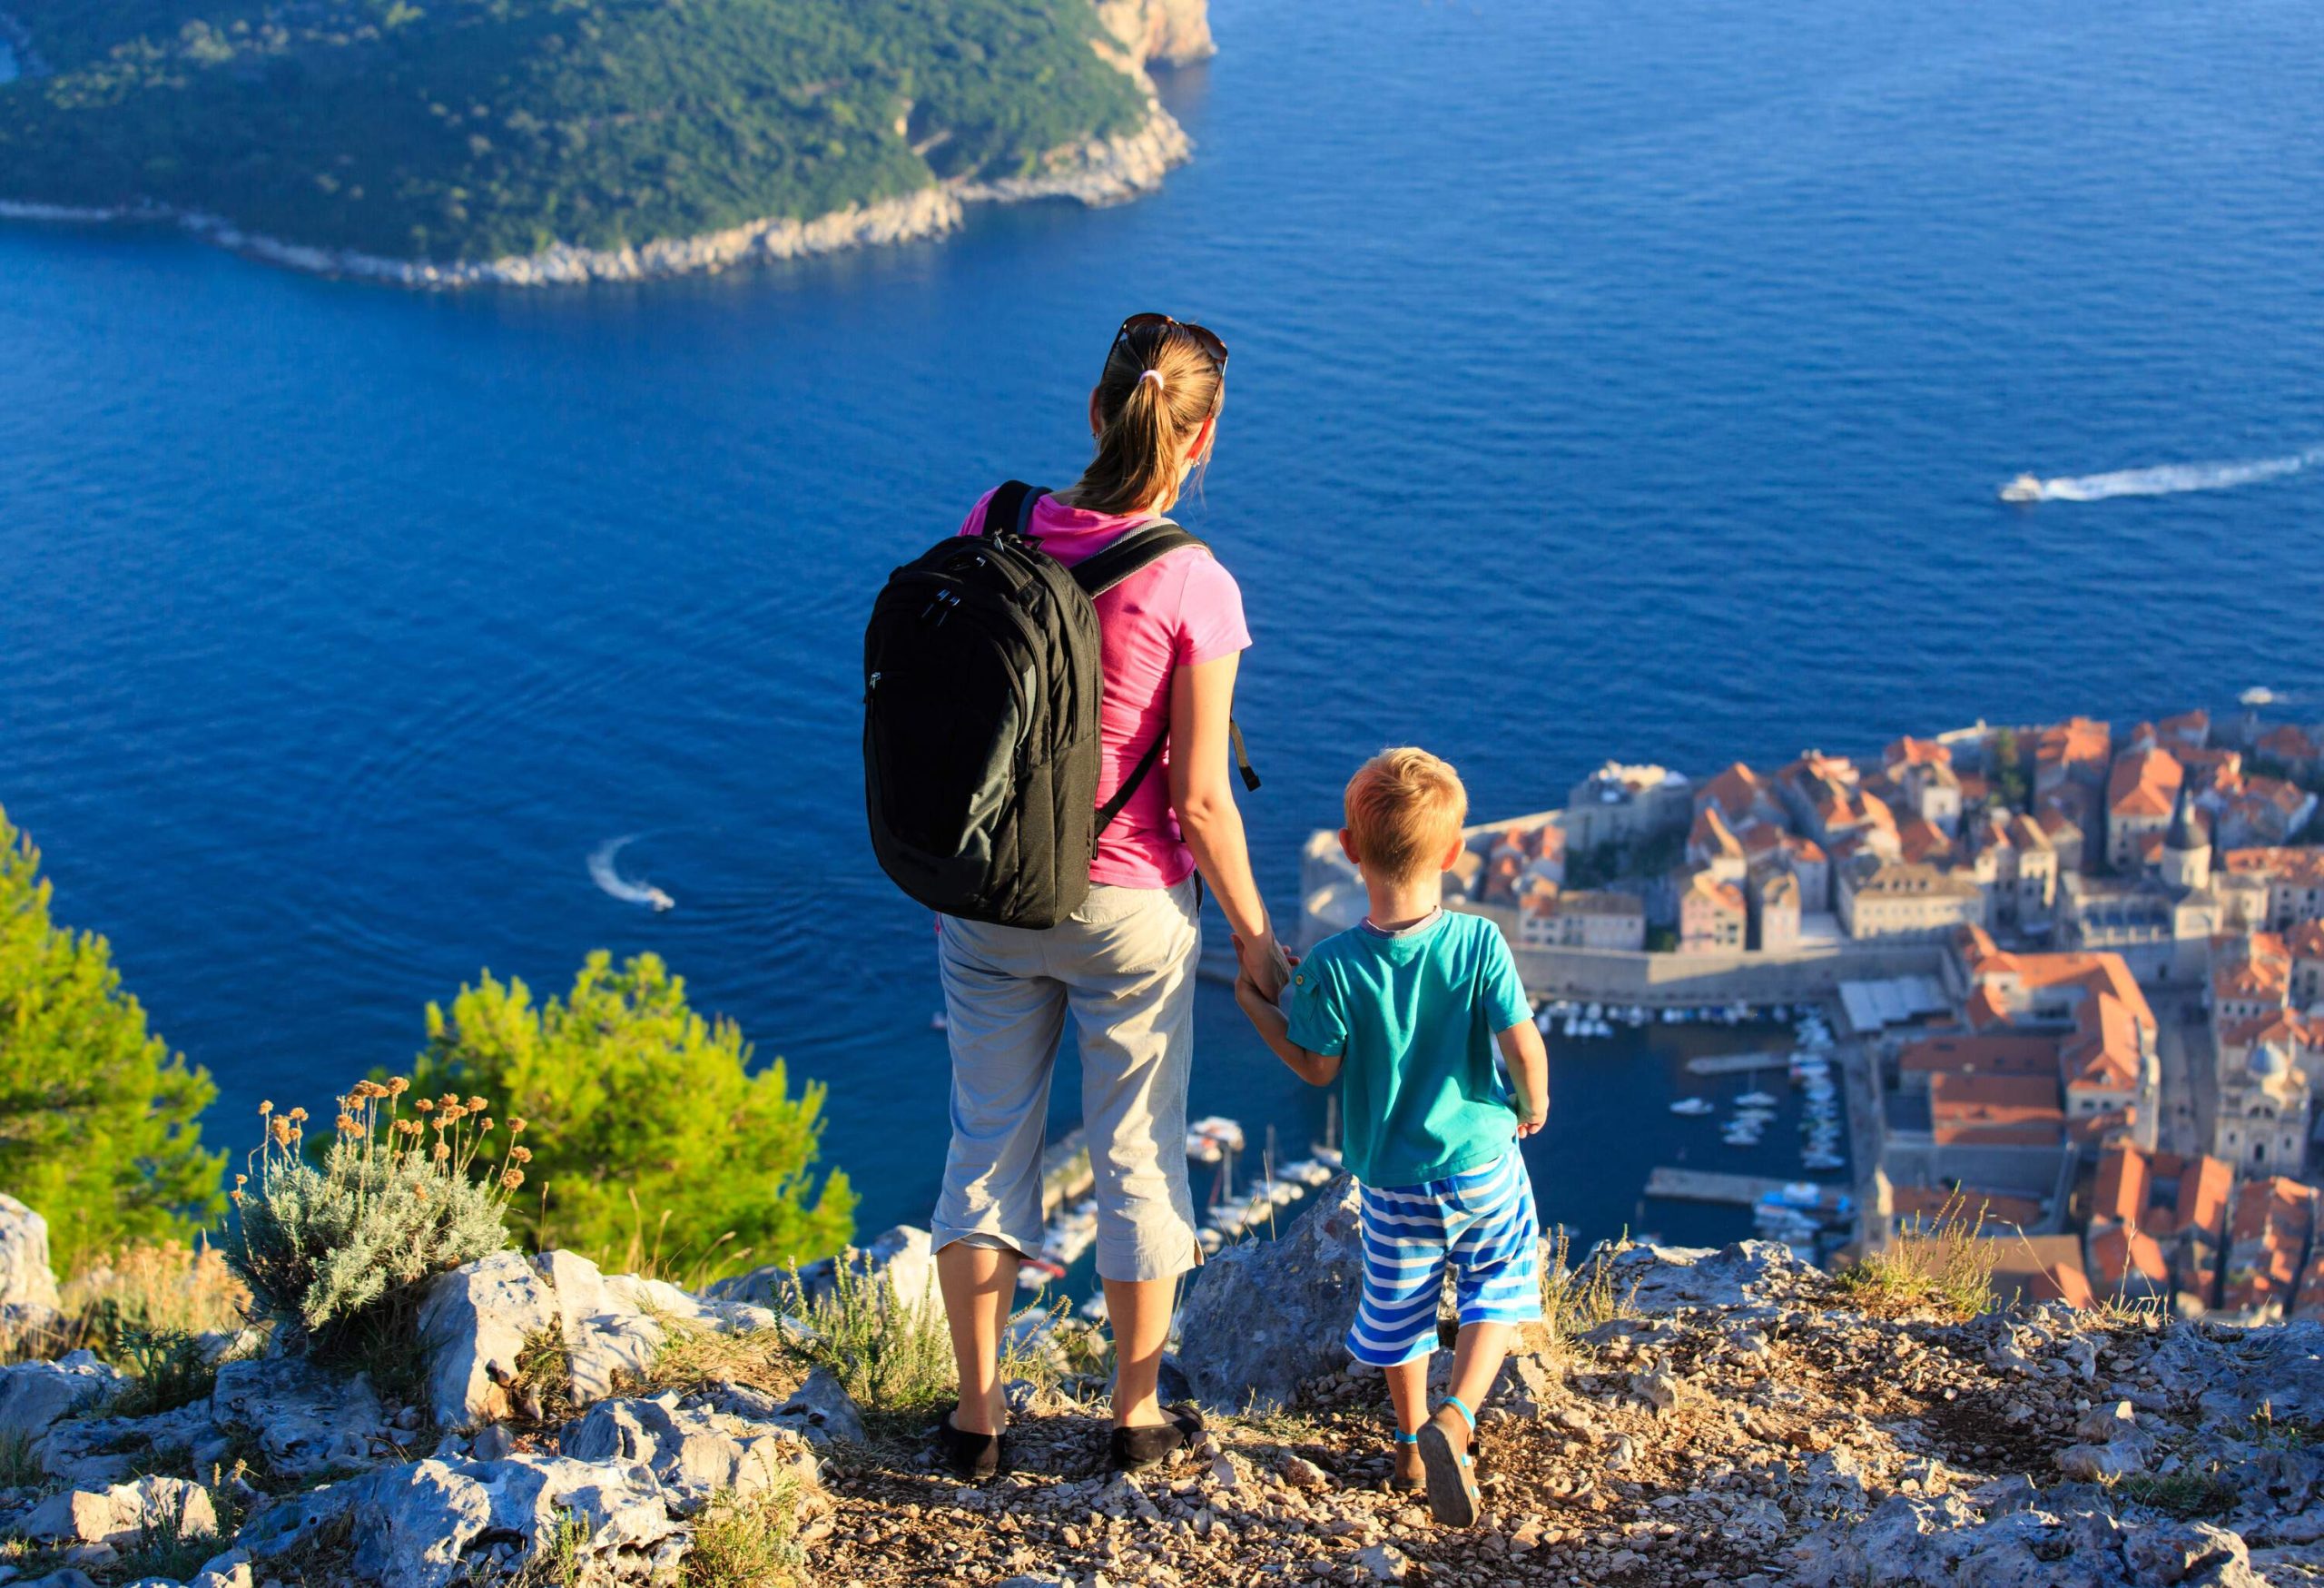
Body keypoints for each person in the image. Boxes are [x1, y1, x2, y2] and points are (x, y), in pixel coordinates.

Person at [931, 314, 1291, 1478]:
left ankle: (977, 1420)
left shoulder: (992, 519)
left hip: (983, 893)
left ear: (1095, 410)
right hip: (1127, 907)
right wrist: (1255, 937)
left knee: (986, 1147)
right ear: (1204, 438)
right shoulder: (1196, 582)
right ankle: (1132, 1418)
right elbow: (1199, 803)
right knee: (1139, 1153)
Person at [1232, 747, 1550, 1527]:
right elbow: (1523, 1042)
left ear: (1349, 849)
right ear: (1453, 852)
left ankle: (1409, 1443)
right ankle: (1459, 1418)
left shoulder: (1335, 965)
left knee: (1400, 1308)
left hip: (1393, 1179)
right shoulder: (1479, 943)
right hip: (1482, 1158)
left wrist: (1257, 1005)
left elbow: (1316, 1065)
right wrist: (1532, 1103)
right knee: (1497, 1285)